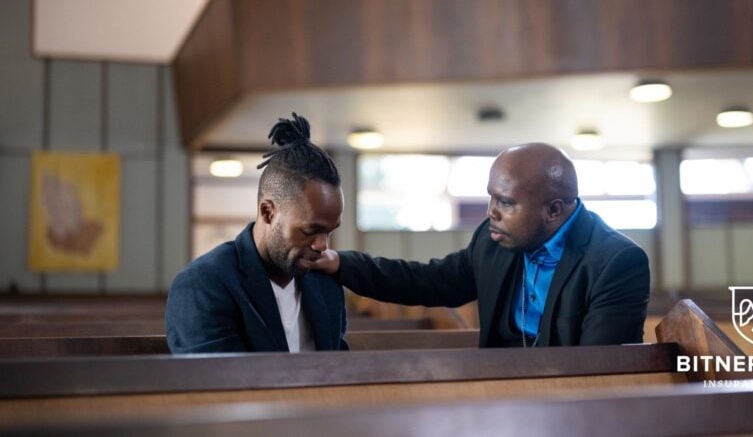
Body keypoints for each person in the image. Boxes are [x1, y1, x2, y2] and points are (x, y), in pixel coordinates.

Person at [311, 143, 650, 347]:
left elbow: (604, 368)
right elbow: (427, 281)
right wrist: (342, 263)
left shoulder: (617, 262)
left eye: (506, 202)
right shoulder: (491, 240)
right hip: (496, 391)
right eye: (491, 197)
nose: (491, 213)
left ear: (554, 210)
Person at [166, 113, 348, 353]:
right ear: (268, 212)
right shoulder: (203, 285)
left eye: (329, 231)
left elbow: (338, 368)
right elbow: (217, 385)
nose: (322, 245)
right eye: (311, 230)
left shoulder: (323, 281)